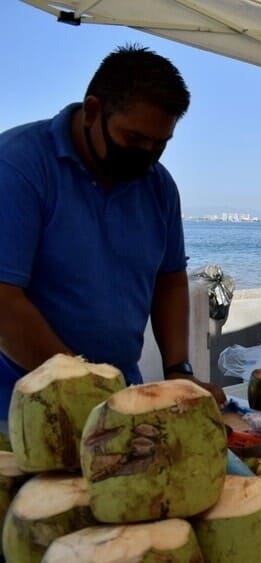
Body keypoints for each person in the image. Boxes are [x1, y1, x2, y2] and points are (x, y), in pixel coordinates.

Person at [0, 44, 226, 418]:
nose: (147, 155)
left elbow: (169, 281)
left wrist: (177, 371)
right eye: (134, 139)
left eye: (161, 144)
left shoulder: (158, 186)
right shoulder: (18, 166)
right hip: (17, 405)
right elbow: (4, 301)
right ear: (92, 111)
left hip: (114, 396)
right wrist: (82, 384)